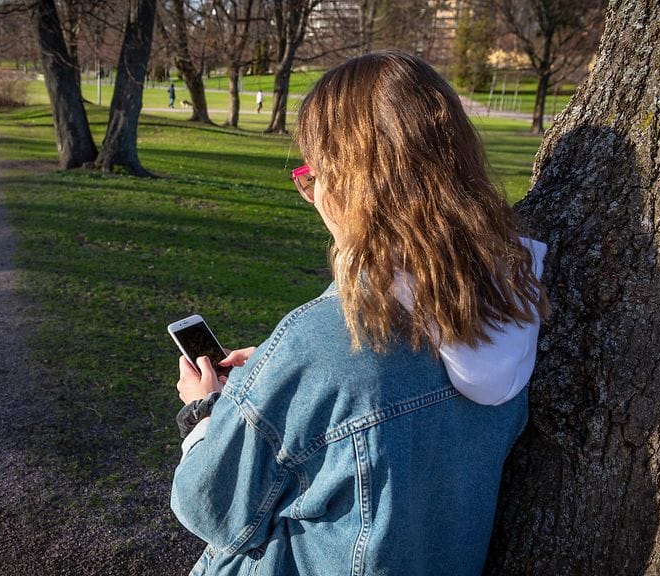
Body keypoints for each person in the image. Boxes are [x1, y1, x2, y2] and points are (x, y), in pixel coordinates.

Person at [171, 50, 550, 576]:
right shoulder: (509, 305)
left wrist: (203, 414)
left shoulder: (323, 342)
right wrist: (291, 381)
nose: (313, 195)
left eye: (314, 174)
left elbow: (212, 507)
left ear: (354, 183)